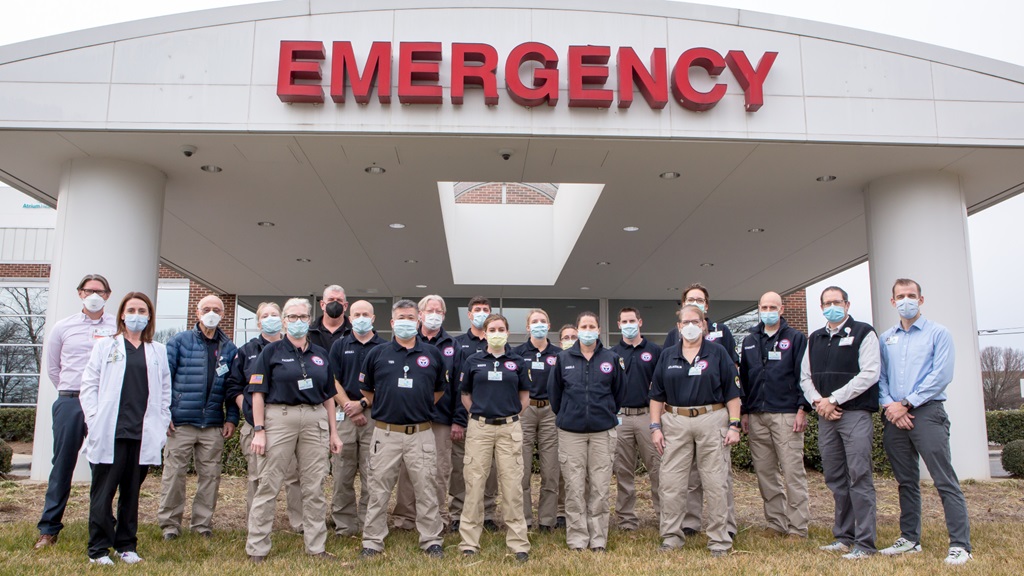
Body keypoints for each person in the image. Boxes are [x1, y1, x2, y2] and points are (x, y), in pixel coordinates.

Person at [878, 279, 973, 565]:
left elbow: (941, 374)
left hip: (927, 412)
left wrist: (907, 403)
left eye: (911, 295)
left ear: (921, 299)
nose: (906, 300)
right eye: (900, 296)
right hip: (894, 416)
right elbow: (880, 377)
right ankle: (909, 538)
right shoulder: (885, 338)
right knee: (906, 481)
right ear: (892, 302)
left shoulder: (938, 333)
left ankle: (960, 544)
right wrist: (891, 406)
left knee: (944, 479)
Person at [245, 298, 342, 563]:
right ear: (284, 320)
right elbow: (256, 394)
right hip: (279, 418)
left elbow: (329, 397)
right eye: (292, 317)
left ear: (309, 320)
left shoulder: (321, 354)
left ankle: (316, 547)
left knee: (314, 486)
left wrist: (334, 433)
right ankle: (257, 547)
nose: (297, 322)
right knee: (269, 484)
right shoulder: (271, 352)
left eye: (302, 317)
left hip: (315, 420)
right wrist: (260, 430)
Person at [81, 292, 171, 565]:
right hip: (111, 431)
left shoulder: (158, 350)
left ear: (149, 317)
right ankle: (98, 549)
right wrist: (95, 419)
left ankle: (126, 546)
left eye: (142, 311)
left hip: (141, 433)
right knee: (103, 493)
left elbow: (164, 390)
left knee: (131, 494)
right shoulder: (106, 346)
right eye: (131, 310)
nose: (136, 315)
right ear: (121, 314)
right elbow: (89, 385)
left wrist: (163, 419)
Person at [650, 304, 742, 558]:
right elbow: (656, 396)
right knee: (671, 482)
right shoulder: (667, 355)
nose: (690, 326)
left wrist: (734, 425)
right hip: (675, 421)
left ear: (703, 325)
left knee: (715, 482)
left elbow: (733, 394)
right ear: (678, 327)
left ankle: (718, 540)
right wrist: (655, 427)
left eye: (695, 321)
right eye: (684, 322)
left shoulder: (718, 353)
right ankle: (671, 536)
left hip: (712, 419)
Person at [358, 300, 446, 559]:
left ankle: (431, 539)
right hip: (385, 434)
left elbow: (439, 389)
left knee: (426, 487)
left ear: (418, 320)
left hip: (421, 433)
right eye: (401, 317)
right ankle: (372, 541)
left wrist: (418, 405)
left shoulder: (432, 354)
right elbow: (366, 390)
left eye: (410, 317)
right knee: (378, 489)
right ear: (392, 323)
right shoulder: (377, 354)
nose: (406, 321)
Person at [35, 274, 116, 550]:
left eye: (100, 290)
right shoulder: (62, 327)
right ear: (80, 293)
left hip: (105, 404)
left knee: (103, 467)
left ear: (108, 294)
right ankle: (48, 529)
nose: (94, 294)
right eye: (89, 290)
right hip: (70, 401)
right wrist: (73, 392)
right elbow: (53, 367)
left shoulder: (117, 327)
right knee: (62, 464)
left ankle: (104, 526)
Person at [799, 285, 880, 560]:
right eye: (826, 303)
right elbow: (805, 378)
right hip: (826, 416)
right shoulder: (815, 338)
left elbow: (870, 373)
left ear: (847, 304)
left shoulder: (863, 332)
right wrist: (819, 403)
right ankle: (844, 536)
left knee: (859, 476)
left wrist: (834, 399)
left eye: (837, 301)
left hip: (854, 414)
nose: (831, 306)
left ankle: (865, 542)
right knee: (835, 478)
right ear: (821, 307)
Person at [158, 295, 238, 540]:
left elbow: (232, 387)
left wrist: (231, 418)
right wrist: (165, 414)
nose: (211, 313)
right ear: (197, 312)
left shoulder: (230, 348)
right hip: (181, 423)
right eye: (207, 309)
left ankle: (202, 525)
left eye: (216, 309)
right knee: (174, 475)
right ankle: (170, 525)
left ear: (223, 314)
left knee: (210, 476)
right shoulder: (179, 342)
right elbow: (164, 380)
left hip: (213, 424)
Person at [225, 302, 304, 533]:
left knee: (293, 476)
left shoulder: (295, 348)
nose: (270, 319)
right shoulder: (246, 351)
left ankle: (298, 522)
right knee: (258, 477)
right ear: (259, 322)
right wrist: (247, 409)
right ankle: (257, 524)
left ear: (282, 320)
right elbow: (233, 386)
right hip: (256, 425)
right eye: (265, 316)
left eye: (275, 315)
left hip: (287, 421)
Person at [549, 311, 625, 551]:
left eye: (592, 326)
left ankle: (599, 538)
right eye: (584, 325)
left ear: (599, 330)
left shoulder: (611, 358)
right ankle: (578, 538)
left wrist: (606, 412)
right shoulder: (563, 359)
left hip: (603, 432)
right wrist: (570, 414)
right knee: (574, 486)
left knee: (600, 487)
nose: (588, 329)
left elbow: (619, 393)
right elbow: (555, 395)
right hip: (571, 432)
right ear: (578, 329)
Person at [458, 314, 531, 561]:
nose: (496, 332)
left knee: (512, 486)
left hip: (509, 428)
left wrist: (511, 415)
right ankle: (469, 542)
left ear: (508, 333)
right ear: (485, 332)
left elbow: (525, 396)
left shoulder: (518, 361)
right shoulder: (473, 360)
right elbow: (465, 394)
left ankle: (519, 543)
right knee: (475, 484)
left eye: (501, 328)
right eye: (492, 329)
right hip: (480, 429)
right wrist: (478, 414)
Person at [740, 292, 810, 539]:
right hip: (757, 415)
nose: (768, 310)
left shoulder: (795, 338)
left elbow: (804, 375)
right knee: (765, 472)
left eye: (773, 307)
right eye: (764, 307)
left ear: (781, 310)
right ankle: (775, 523)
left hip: (787, 414)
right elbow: (746, 379)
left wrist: (803, 408)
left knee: (792, 472)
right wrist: (745, 411)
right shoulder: (749, 340)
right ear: (758, 308)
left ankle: (798, 527)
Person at [392, 295, 459, 531]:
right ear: (419, 314)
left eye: (438, 311)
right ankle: (405, 518)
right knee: (408, 470)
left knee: (439, 469)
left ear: (443, 314)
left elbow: (457, 386)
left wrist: (458, 420)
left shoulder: (453, 344)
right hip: (410, 417)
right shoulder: (404, 340)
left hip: (441, 418)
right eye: (429, 310)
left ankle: (439, 516)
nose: (434, 314)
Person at [328, 300, 386, 536]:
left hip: (374, 416)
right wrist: (349, 406)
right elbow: (331, 380)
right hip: (344, 415)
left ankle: (368, 524)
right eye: (356, 314)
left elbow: (385, 383)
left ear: (373, 318)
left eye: (366, 314)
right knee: (342, 473)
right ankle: (344, 525)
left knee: (373, 473)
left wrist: (363, 404)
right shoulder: (339, 346)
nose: (361, 318)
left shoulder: (384, 347)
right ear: (349, 318)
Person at [447, 296, 500, 532]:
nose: (481, 312)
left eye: (485, 310)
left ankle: (487, 513)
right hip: (466, 417)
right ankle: (458, 512)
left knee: (489, 468)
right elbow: (458, 387)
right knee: (460, 467)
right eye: (477, 310)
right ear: (469, 315)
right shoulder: (457, 344)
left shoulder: (501, 345)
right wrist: (458, 420)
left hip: (492, 419)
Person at [611, 307, 663, 530]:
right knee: (623, 470)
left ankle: (665, 516)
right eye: (624, 321)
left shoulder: (655, 351)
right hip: (621, 417)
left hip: (647, 416)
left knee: (658, 468)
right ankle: (626, 519)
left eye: (632, 320)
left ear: (640, 322)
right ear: (618, 325)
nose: (629, 324)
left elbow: (662, 386)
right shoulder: (612, 354)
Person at [512, 309, 560, 532]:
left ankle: (547, 521)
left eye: (543, 321)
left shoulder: (559, 354)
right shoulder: (517, 353)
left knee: (551, 470)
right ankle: (524, 519)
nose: (539, 324)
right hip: (525, 411)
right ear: (528, 327)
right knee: (522, 468)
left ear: (549, 325)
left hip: (551, 412)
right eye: (534, 322)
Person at [308, 285, 351, 353]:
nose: (335, 303)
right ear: (322, 305)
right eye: (331, 300)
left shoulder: (354, 332)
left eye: (339, 300)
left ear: (345, 306)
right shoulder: (309, 332)